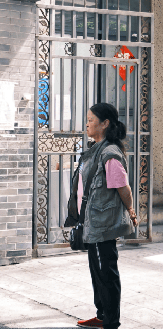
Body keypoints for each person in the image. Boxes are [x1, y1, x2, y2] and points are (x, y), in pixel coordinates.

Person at [65, 103, 138, 329]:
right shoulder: (96, 148)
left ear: (105, 124)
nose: (87, 123)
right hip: (93, 222)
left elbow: (122, 187)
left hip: (102, 224)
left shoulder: (109, 153)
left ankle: (110, 321)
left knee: (106, 272)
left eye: (91, 120)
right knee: (98, 271)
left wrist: (131, 210)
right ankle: (102, 314)